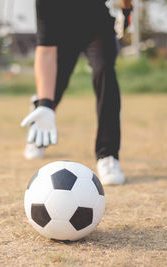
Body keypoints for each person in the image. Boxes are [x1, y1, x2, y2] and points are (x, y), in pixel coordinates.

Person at [21, 0, 133, 185]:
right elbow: (45, 52)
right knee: (55, 86)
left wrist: (127, 10)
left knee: (105, 71)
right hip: (61, 31)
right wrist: (46, 104)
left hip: (97, 25)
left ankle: (108, 155)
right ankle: (38, 129)